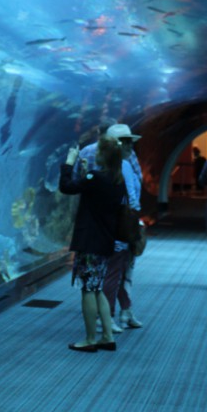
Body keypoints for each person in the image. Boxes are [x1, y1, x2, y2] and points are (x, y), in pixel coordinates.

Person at [59, 135, 128, 352]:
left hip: (89, 242)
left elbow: (66, 187)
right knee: (97, 289)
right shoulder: (118, 180)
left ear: (103, 155)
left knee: (88, 289)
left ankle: (90, 339)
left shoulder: (95, 177)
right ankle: (107, 336)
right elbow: (94, 191)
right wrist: (85, 173)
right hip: (105, 240)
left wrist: (69, 163)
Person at [104, 124, 143, 330]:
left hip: (112, 223)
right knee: (116, 272)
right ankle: (107, 316)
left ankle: (125, 310)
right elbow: (131, 197)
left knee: (121, 270)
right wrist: (135, 222)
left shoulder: (107, 163)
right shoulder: (124, 165)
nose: (129, 145)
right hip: (123, 226)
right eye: (125, 142)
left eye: (130, 141)